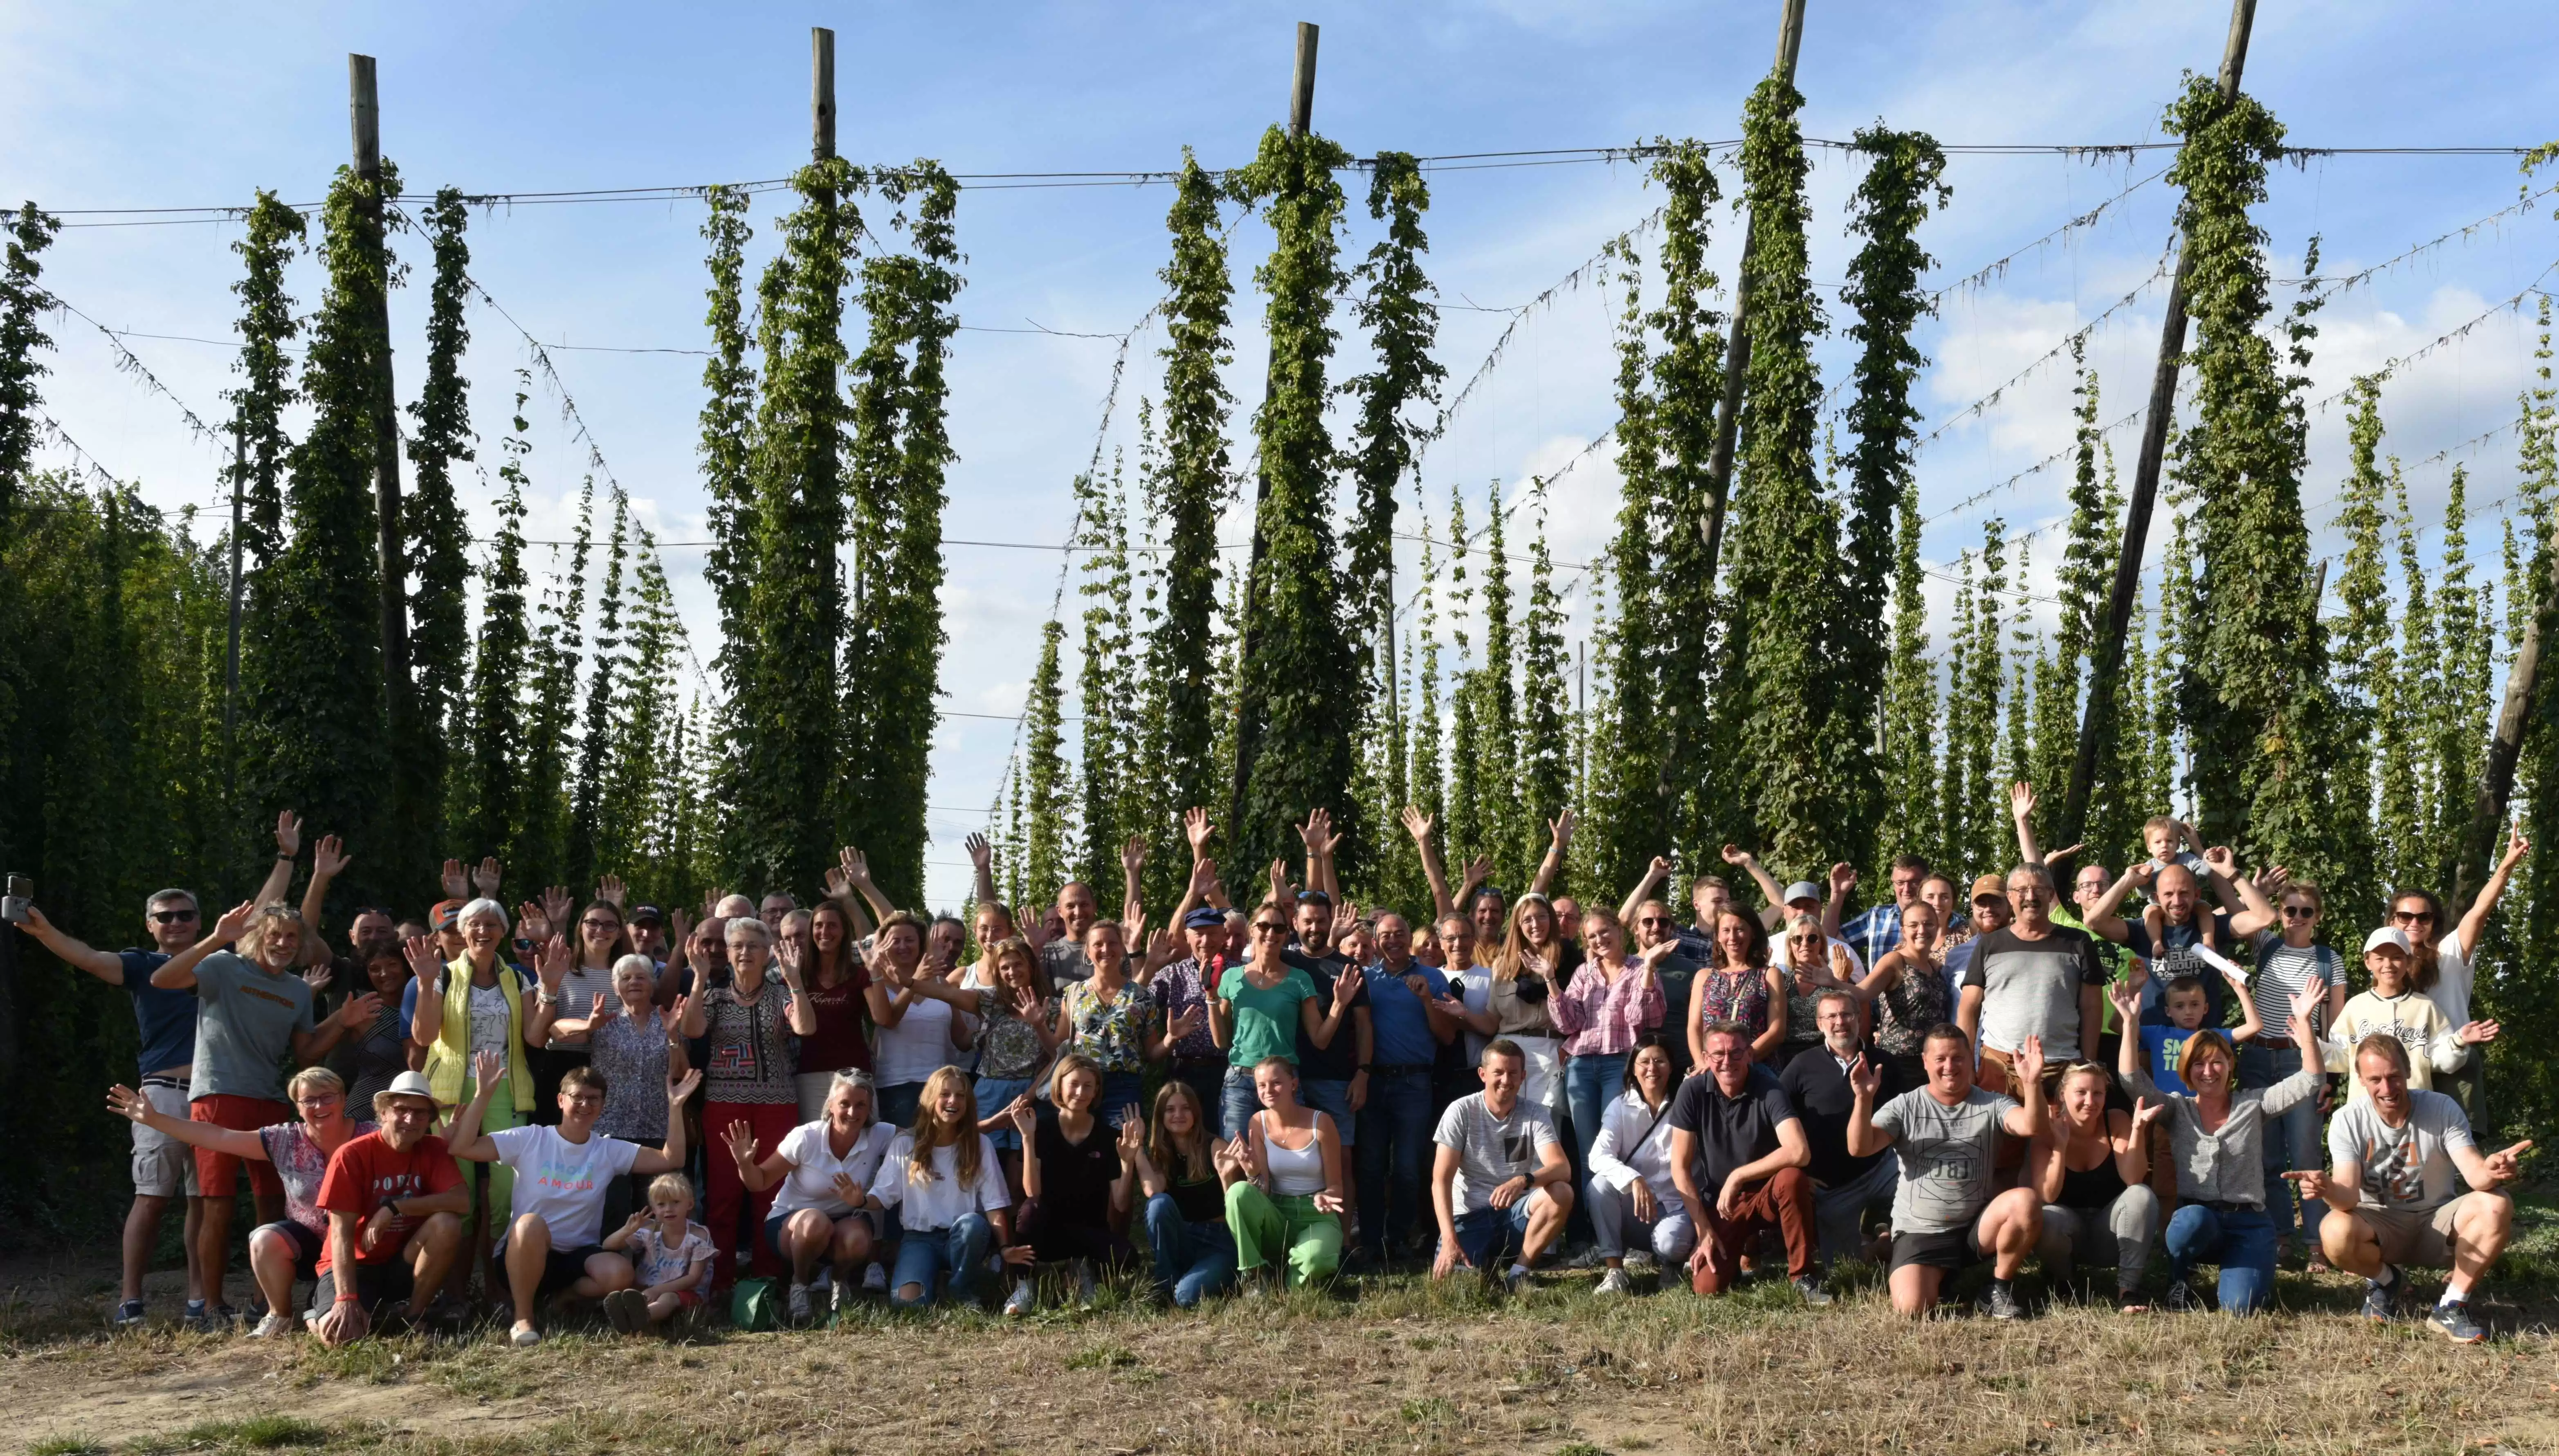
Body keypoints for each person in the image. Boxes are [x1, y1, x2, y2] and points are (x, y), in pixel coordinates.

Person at [151, 897, 377, 1325]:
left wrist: (341, 1022)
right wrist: (216, 938)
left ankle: (266, 1306)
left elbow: (306, 1050)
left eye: (292, 937)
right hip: (219, 1095)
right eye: (274, 934)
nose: (283, 943)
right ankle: (210, 1306)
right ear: (257, 936)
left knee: (273, 1202)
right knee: (216, 1202)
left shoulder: (296, 989)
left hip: (272, 1099)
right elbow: (164, 979)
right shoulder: (223, 966)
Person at [20, 892, 209, 1328]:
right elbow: (86, 957)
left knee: (205, 1201)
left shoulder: (218, 962)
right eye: (165, 917)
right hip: (162, 1091)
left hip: (212, 1091)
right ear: (150, 925)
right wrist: (43, 930)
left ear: (200, 922)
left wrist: (288, 859)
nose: (176, 922)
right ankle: (130, 1301)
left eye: (185, 915)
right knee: (151, 1198)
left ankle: (201, 1300)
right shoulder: (142, 964)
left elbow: (267, 922)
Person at [443, 1049, 700, 1345]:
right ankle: (524, 1317)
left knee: (620, 1273)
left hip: (578, 1257)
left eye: (593, 1099)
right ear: (560, 1100)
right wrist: (483, 1094)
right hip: (523, 1255)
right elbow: (462, 1147)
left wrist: (676, 1105)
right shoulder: (530, 1138)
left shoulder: (607, 1149)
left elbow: (671, 1158)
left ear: (602, 1105)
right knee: (529, 1224)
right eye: (577, 1097)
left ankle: (563, 1299)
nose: (584, 1104)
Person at [2289, 1032, 2532, 1344]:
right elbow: (2347, 1197)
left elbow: (2476, 1176)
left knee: (2497, 1203)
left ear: (2407, 1070)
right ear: (2360, 1079)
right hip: (2380, 1225)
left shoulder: (2441, 1107)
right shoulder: (2347, 1120)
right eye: (2375, 1079)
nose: (2386, 1088)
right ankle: (2385, 1281)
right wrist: (2326, 1188)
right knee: (2333, 1230)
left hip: (2436, 1223)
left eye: (2393, 1076)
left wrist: (2492, 1170)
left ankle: (2451, 1306)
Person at [106, 1066, 376, 1337]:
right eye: (309, 1100)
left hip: (363, 1243)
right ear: (298, 1105)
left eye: (328, 1097)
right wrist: (156, 1120)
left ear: (343, 1098)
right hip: (310, 1243)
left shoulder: (373, 1137)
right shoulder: (285, 1138)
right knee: (263, 1238)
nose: (319, 1105)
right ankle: (279, 1315)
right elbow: (220, 1136)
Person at [2108, 978, 2325, 1313]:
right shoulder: (2177, 1109)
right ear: (2186, 1070)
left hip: (2248, 1223)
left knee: (2240, 1307)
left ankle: (2245, 1268)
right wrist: (2128, 1022)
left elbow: (2310, 1080)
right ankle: (2179, 1279)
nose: (2208, 1071)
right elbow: (2131, 1080)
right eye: (2198, 1063)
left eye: (2216, 1062)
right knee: (2186, 1222)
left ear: (2229, 1065)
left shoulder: (2253, 1105)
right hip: (2200, 1220)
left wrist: (2306, 1024)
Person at [1848, 1025, 2047, 1319]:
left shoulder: (1992, 1103)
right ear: (1925, 1061)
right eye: (1940, 1058)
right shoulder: (1905, 1106)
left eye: (1957, 1058)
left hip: (1974, 1229)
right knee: (1911, 1309)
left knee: (2025, 1200)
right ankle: (1893, 1248)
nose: (1949, 1066)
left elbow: (2032, 1126)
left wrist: (2032, 1084)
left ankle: (1997, 1287)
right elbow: (1859, 1148)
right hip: (1921, 1230)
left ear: (1970, 1060)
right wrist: (1863, 1100)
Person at [404, 900, 539, 1290]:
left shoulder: (518, 978)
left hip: (506, 1090)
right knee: (455, 1191)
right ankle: (453, 1291)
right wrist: (427, 983)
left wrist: (549, 989)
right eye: (475, 924)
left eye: (492, 924)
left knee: (503, 1195)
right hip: (452, 1093)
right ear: (462, 932)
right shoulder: (440, 975)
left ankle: (499, 1289)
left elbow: (534, 1037)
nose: (484, 931)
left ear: (503, 931)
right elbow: (424, 1037)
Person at [679, 914, 816, 1285]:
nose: (744, 952)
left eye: (753, 945)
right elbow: (691, 1029)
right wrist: (699, 979)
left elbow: (805, 1026)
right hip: (724, 1103)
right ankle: (719, 1281)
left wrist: (796, 981)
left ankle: (767, 1277)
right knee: (723, 1194)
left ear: (768, 951)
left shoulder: (781, 995)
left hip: (777, 1103)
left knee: (770, 1192)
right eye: (737, 946)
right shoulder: (716, 996)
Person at [308, 1070, 469, 1347]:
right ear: (383, 1113)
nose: (410, 1119)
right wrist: (346, 1298)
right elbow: (340, 1234)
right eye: (401, 1109)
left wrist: (395, 1207)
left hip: (402, 1262)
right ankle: (315, 1314)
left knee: (448, 1223)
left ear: (429, 1119)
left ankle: (412, 1315)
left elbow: (461, 1201)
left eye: (420, 1113)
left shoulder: (434, 1149)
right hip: (355, 1265)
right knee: (340, 1339)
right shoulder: (351, 1155)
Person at [1667, 1021, 1823, 1303]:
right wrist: (1703, 1230)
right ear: (1705, 1058)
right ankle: (1739, 1252)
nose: (1727, 1061)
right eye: (1718, 1054)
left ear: (1749, 1054)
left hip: (1767, 1195)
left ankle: (1803, 1276)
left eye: (1736, 1052)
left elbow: (1799, 1151)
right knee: (1707, 1287)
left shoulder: (1769, 1089)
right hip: (1723, 1203)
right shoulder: (1691, 1092)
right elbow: (1679, 1167)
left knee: (1792, 1178)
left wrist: (1737, 1175)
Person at [723, 1069, 895, 1323]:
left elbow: (919, 1136)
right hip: (792, 1225)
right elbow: (759, 1182)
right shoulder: (806, 1136)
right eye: (844, 1104)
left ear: (870, 1109)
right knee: (815, 1222)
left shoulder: (880, 1133)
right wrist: (744, 1164)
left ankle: (838, 1279)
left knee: (859, 1239)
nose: (852, 1112)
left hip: (845, 1223)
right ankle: (799, 1284)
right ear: (830, 1105)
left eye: (861, 1105)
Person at [2240, 879, 2346, 1263]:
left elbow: (2335, 1027)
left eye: (2306, 911)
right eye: (2290, 910)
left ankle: (2317, 1244)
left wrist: (2331, 1079)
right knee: (2266, 1157)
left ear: (2317, 917)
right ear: (2280, 912)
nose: (2297, 918)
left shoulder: (2328, 959)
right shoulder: (2263, 944)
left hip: (2301, 1060)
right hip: (2255, 1059)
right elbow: (2237, 912)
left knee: (2306, 1156)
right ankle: (2281, 1237)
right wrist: (2251, 886)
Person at [904, 935, 1059, 1191]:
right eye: (1005, 967)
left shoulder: (1053, 1008)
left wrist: (1030, 1096)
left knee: (1022, 1168)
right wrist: (905, 980)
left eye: (1018, 964)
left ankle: (1017, 1227)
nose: (1012, 972)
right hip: (990, 1092)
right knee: (981, 1166)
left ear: (1031, 965)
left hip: (1033, 1092)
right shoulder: (989, 1000)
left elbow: (1057, 1058)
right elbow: (944, 993)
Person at [2399, 828, 2530, 1122]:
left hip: (2453, 1067)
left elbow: (2479, 911)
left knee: (2458, 1155)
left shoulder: (2449, 952)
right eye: (2405, 916)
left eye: (2424, 916)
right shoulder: (2385, 963)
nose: (2414, 922)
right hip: (2405, 1070)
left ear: (2434, 922)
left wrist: (2506, 865)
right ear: (2392, 921)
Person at [1552, 909, 1670, 1234]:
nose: (1599, 940)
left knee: (1617, 1147)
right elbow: (1568, 1023)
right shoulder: (1583, 973)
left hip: (1619, 1063)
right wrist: (1551, 981)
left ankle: (1629, 1230)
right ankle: (1598, 1234)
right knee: (1589, 1151)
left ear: (1620, 931)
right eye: (1592, 936)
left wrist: (1647, 967)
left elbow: (1644, 1018)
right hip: (1580, 1066)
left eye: (1605, 932)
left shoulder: (1638, 968)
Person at [549, 954, 690, 1224]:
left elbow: (682, 1073)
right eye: (625, 977)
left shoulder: (669, 1019)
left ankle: (649, 1266)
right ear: (615, 987)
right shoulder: (605, 1020)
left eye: (640, 976)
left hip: (657, 1130)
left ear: (652, 982)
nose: (633, 982)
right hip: (610, 1132)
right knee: (611, 1212)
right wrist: (589, 1025)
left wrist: (673, 1037)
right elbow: (556, 1030)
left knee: (655, 1213)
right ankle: (609, 1263)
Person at [1430, 1039, 1573, 1292]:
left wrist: (1524, 1180)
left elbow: (1562, 1168)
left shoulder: (1535, 1113)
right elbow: (1441, 1180)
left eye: (1513, 1073)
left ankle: (1519, 1273)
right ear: (1483, 1074)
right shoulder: (1460, 1111)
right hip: (1469, 1216)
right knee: (1457, 1289)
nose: (1506, 1080)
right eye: (1498, 1072)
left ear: (1524, 1077)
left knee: (1562, 1191)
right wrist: (1450, 1238)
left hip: (1513, 1215)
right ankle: (1481, 1261)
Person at [874, 1067, 1021, 1309]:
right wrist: (858, 1199)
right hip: (919, 1239)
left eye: (961, 1095)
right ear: (930, 1098)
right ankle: (940, 1282)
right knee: (907, 1305)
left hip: (963, 1237)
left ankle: (961, 1288)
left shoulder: (980, 1144)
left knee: (973, 1225)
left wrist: (1005, 1248)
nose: (953, 1101)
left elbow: (995, 1205)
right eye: (945, 1094)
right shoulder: (905, 1144)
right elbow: (881, 1196)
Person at [1357, 911, 1457, 1265]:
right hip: (1373, 1079)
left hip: (1415, 1082)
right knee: (1369, 1165)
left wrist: (1427, 999)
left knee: (1408, 1167)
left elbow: (1447, 1036)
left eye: (1400, 933)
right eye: (1385, 935)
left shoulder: (1432, 977)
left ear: (1410, 939)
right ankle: (1369, 1240)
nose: (1393, 940)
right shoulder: (1366, 978)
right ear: (1375, 940)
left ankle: (1398, 1237)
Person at [1956, 865, 2106, 1096]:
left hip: (2062, 1069)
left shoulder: (2079, 942)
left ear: (2051, 894)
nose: (2030, 897)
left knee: (2060, 1133)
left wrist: (2087, 1064)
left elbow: (2092, 1008)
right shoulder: (1989, 945)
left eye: (2038, 889)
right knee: (1998, 1133)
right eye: (2022, 890)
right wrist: (1965, 1068)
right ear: (2010, 896)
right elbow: (1968, 1009)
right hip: (1998, 1068)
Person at [1009, 1054, 1141, 1312]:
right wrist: (1027, 1137)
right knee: (1030, 1211)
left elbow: (1122, 1203)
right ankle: (1024, 1286)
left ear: (1096, 1092)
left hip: (1089, 1232)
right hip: (1048, 1232)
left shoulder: (1108, 1137)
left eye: (1088, 1086)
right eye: (1074, 1084)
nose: (1080, 1092)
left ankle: (1081, 1271)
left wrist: (1127, 1163)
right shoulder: (1040, 1130)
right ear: (1059, 1087)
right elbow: (1032, 1193)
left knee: (1128, 1258)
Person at [2027, 1061, 2164, 1310]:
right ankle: (2065, 1279)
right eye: (2081, 1092)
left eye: (2098, 1093)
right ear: (2062, 1095)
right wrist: (2060, 1146)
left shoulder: (2117, 1120)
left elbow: (2133, 1180)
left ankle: (2128, 1291)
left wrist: (2137, 1130)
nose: (2090, 1101)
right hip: (2065, 1237)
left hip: (2109, 1235)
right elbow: (2047, 1194)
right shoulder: (2047, 1129)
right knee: (2046, 1216)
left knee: (2141, 1195)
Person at [1782, 989, 1902, 1272]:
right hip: (1832, 1184)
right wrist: (1801, 1176)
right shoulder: (1802, 1065)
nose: (1840, 1021)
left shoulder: (1885, 1062)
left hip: (1883, 1167)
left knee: (1924, 1185)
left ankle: (1900, 1236)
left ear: (1860, 1018)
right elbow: (1775, 1119)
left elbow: (1908, 1117)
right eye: (1831, 1016)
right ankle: (1878, 1244)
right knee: (1842, 1267)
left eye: (1846, 1014)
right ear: (1819, 1023)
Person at [2083, 850, 2274, 1026]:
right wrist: (2128, 881)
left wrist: (2233, 874)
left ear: (2197, 895)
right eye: (2168, 894)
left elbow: (2266, 917)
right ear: (2156, 898)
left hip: (2205, 1044)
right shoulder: (2142, 930)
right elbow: (2094, 922)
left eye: (2184, 893)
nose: (2177, 901)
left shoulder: (2213, 926)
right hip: (2154, 1044)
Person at [2326, 928, 2496, 1100]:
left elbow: (2442, 1062)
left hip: (2417, 1107)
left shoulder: (2425, 1007)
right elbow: (2340, 1057)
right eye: (2380, 958)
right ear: (2368, 962)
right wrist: (2309, 1041)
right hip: (2366, 1107)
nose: (2388, 965)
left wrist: (2459, 1042)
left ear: (2408, 961)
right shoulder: (2355, 1006)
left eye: (2397, 958)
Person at [1226, 1055, 1348, 1292]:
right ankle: (1255, 1275)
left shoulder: (1321, 1122)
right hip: (1278, 1214)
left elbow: (1337, 1186)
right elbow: (1265, 1190)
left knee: (1314, 1262)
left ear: (1294, 1084)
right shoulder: (1257, 1122)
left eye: (1276, 1083)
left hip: (1316, 1216)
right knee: (1237, 1193)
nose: (1269, 1090)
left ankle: (1291, 1274)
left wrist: (1326, 1196)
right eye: (1262, 1085)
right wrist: (1252, 1173)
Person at [1206, 905, 1324, 1139]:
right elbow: (1221, 1042)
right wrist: (1211, 997)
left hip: (1283, 1082)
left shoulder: (1300, 979)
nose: (1271, 933)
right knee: (1237, 1157)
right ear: (1252, 930)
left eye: (1278, 928)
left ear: (1286, 934)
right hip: (1240, 1080)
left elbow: (1319, 1038)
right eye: (1264, 926)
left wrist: (1340, 1005)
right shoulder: (1231, 977)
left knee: (1287, 1154)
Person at [1586, 1041, 1691, 1292]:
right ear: (1634, 1069)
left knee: (1671, 1244)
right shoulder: (1620, 1107)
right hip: (1636, 1210)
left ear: (1671, 1067)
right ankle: (1615, 1271)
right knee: (1599, 1186)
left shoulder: (1686, 1102)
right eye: (1644, 1062)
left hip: (1678, 1207)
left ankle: (1671, 1263)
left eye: (1660, 1061)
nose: (1652, 1068)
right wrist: (1633, 1179)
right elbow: (1597, 1156)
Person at [1057, 918, 1182, 1121]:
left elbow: (1152, 1054)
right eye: (1098, 944)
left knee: (1126, 1148)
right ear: (1088, 952)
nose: (1106, 949)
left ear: (1123, 949)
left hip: (1124, 1088)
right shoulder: (1074, 993)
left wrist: (1171, 1038)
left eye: (1113, 943)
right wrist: (1038, 1026)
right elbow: (1058, 1045)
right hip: (1080, 1086)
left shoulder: (1142, 996)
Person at [862, 910, 975, 1130]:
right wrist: (916, 982)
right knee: (903, 1157)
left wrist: (988, 1027)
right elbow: (887, 1020)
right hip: (896, 1088)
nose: (903, 946)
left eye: (909, 940)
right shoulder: (876, 983)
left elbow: (961, 1039)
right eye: (896, 941)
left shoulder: (941, 984)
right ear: (883, 946)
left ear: (921, 944)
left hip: (940, 1087)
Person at [527, 897, 634, 1122]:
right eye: (592, 923)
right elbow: (539, 1034)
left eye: (609, 925)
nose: (600, 930)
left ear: (619, 932)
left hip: (610, 1069)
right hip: (559, 1068)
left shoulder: (627, 975)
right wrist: (550, 986)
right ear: (581, 927)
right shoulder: (559, 968)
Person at [1137, 1079, 1243, 1306]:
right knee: (1159, 1204)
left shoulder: (1216, 1146)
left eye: (1186, 1108)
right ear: (1161, 1116)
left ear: (1196, 1112)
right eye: (1170, 1109)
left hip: (1219, 1241)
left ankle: (1203, 1279)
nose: (1179, 1115)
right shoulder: (1161, 1154)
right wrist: (1138, 1150)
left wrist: (1226, 1177)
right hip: (1184, 1238)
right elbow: (1153, 1192)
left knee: (1187, 1297)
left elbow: (1237, 1206)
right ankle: (1165, 1283)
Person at [787, 898, 872, 1122]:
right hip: (809, 1073)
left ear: (845, 932)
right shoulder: (793, 974)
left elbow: (875, 942)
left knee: (859, 1140)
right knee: (815, 1144)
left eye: (833, 925)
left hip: (854, 1072)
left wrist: (851, 898)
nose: (825, 931)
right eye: (819, 925)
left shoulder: (859, 974)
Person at [599, 1172, 716, 1333]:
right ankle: (631, 1315)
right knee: (630, 1292)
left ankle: (641, 1317)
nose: (669, 1209)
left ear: (690, 1204)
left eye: (676, 1203)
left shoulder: (698, 1235)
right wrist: (627, 1231)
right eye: (661, 1205)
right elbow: (608, 1246)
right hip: (647, 1290)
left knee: (667, 1298)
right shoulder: (650, 1230)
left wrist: (657, 1290)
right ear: (654, 1209)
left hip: (686, 1294)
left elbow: (693, 1278)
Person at [1858, 898, 1948, 1092]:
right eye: (1914, 925)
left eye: (1928, 924)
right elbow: (1862, 993)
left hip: (1933, 1062)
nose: (1922, 930)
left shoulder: (1936, 967)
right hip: (1900, 1063)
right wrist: (1832, 982)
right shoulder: (1895, 961)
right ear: (1903, 930)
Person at [1687, 908, 1786, 1066]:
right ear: (1718, 936)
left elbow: (1777, 1031)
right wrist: (1702, 1064)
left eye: (1740, 930)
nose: (1732, 937)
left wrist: (1738, 1062)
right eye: (1726, 930)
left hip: (1756, 1069)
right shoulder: (1703, 977)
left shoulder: (1770, 975)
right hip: (1711, 1071)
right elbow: (1694, 1027)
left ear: (1752, 933)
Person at [2140, 969, 2262, 1095]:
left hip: (2202, 1109)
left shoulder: (2212, 1037)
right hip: (2166, 1108)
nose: (2188, 1012)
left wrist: (2240, 989)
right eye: (2180, 1006)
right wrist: (2134, 989)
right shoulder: (2156, 1034)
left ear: (2205, 1008)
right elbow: (2121, 1027)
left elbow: (2255, 1026)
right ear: (2168, 1011)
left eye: (2194, 1005)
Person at [1774, 913, 1862, 1070]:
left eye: (1812, 938)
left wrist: (1838, 982)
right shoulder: (1781, 981)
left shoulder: (1834, 980)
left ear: (1821, 944)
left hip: (1826, 1060)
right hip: (1785, 1061)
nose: (1805, 944)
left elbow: (1858, 1011)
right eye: (1797, 939)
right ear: (1790, 946)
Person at [1826, 853, 1935, 968]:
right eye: (1901, 883)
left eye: (1914, 882)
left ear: (1926, 882)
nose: (1907, 889)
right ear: (1893, 883)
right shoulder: (1877, 917)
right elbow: (1828, 940)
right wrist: (1837, 895)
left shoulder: (1942, 919)